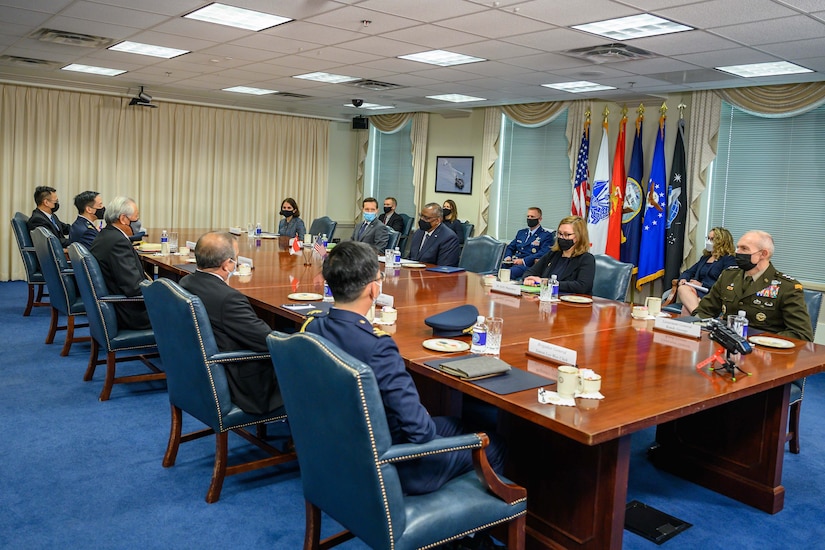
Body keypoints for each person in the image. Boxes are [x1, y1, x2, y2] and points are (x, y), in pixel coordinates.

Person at [302, 241, 505, 495]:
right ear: (373, 290)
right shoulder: (378, 347)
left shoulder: (311, 327)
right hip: (392, 462)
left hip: (340, 447)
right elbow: (421, 433)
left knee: (456, 424)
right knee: (493, 444)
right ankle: (465, 532)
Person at [179, 232, 282, 415]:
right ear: (227, 264)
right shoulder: (229, 299)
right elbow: (269, 341)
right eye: (235, 259)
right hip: (238, 384)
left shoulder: (186, 282)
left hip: (197, 375)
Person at [693, 230, 813, 341]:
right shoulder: (728, 276)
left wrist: (760, 339)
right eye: (738, 247)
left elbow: (801, 334)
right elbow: (704, 311)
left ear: (763, 254)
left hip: (766, 353)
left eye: (744, 249)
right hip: (725, 344)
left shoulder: (787, 287)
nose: (737, 252)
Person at [89, 197, 152, 330]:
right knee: (187, 309)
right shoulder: (118, 243)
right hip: (130, 312)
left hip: (115, 304)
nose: (138, 222)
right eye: (136, 217)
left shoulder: (105, 235)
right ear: (123, 219)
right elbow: (134, 288)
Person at [522, 215, 595, 295]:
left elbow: (582, 286)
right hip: (547, 299)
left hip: (573, 304)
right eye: (560, 234)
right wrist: (529, 279)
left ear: (579, 236)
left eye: (567, 235)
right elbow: (530, 272)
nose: (562, 237)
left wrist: (546, 282)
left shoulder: (586, 259)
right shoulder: (553, 254)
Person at [675, 227, 736, 315]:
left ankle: (698, 315)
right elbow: (688, 272)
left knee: (686, 307)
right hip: (697, 292)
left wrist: (702, 285)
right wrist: (684, 279)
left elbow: (726, 282)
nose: (708, 241)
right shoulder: (705, 258)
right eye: (708, 238)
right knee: (683, 288)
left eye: (712, 239)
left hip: (711, 293)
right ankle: (699, 315)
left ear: (722, 242)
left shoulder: (729, 259)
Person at [502, 207, 555, 279]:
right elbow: (510, 247)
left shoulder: (546, 235)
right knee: (497, 270)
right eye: (528, 216)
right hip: (513, 262)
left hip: (529, 265)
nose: (529, 218)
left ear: (540, 219)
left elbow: (543, 253)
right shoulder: (521, 232)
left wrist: (523, 261)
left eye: (532, 217)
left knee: (509, 273)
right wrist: (508, 256)